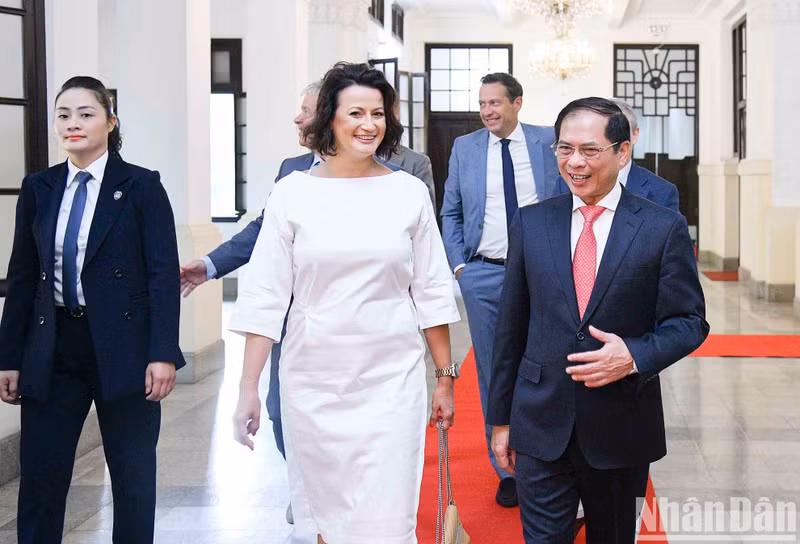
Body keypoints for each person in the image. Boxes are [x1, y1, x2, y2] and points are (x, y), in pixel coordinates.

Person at [228, 62, 460, 544]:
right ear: (329, 118)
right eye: (355, 112)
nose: (369, 124)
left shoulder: (408, 191)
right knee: (324, 514)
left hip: (391, 378)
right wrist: (249, 387)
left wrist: (446, 379)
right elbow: (266, 296)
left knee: (388, 513)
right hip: (313, 380)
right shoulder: (293, 192)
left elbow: (432, 292)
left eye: (378, 113)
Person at [487, 97, 709, 543]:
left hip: (620, 423)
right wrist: (501, 420)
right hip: (539, 419)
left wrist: (634, 355)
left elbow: (689, 321)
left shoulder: (661, 227)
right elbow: (511, 329)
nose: (575, 162)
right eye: (564, 149)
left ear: (622, 152)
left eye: (590, 150)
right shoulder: (532, 223)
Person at [0, 76, 185, 543]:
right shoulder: (39, 188)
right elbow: (23, 277)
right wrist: (9, 357)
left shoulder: (141, 186)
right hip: (54, 347)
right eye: (64, 115)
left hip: (125, 348)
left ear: (110, 121)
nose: (73, 123)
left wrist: (162, 351)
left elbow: (162, 274)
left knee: (133, 476)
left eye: (86, 114)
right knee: (42, 475)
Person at [439, 72, 558, 507]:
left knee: (547, 362)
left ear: (517, 103)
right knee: (494, 371)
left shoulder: (548, 141)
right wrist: (459, 268)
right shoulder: (465, 148)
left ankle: (546, 460)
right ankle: (506, 468)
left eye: (495, 103)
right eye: (482, 104)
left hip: (543, 273)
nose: (487, 111)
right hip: (483, 275)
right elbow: (449, 211)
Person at [551, 97, 679, 212]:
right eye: (566, 147)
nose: (575, 162)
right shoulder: (563, 182)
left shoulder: (661, 191)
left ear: (633, 136)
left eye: (590, 149)